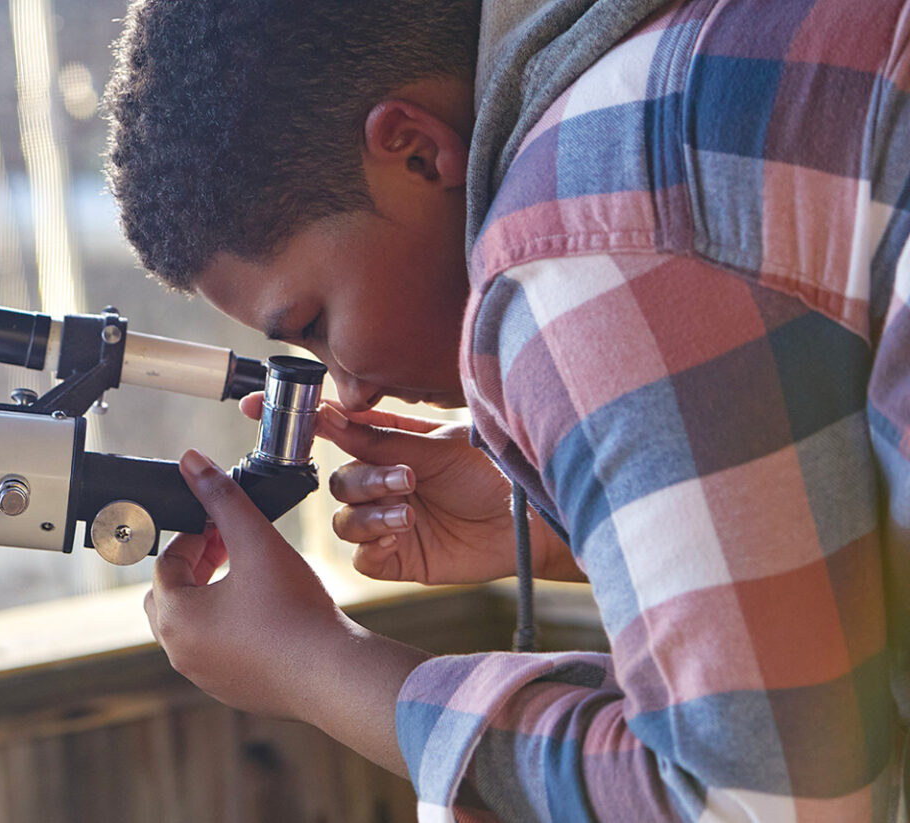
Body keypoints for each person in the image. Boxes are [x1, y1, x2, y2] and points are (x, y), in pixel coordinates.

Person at [104, 0, 909, 818]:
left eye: (314, 324)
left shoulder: (579, 228)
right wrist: (568, 520)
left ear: (417, 152)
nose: (350, 389)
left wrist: (325, 670)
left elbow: (759, 805)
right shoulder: (683, 64)